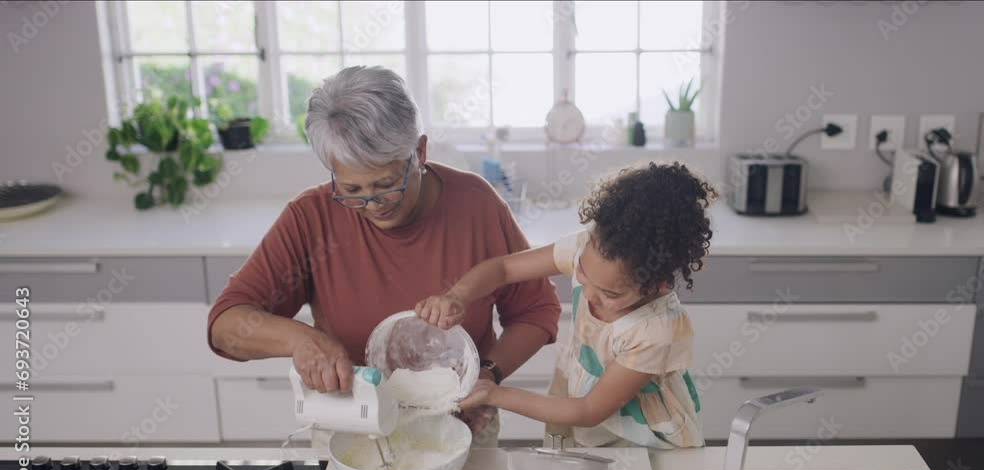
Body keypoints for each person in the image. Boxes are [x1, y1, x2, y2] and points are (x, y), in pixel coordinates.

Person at [207, 66, 560, 446]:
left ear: (419, 152)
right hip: (352, 432)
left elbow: (536, 311)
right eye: (351, 189)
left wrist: (489, 373)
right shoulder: (310, 216)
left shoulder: (475, 204)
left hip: (459, 430)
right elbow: (225, 327)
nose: (372, 204)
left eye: (387, 185)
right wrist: (300, 340)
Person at [416, 162, 715, 448]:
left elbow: (588, 410)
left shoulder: (656, 331)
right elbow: (503, 270)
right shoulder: (589, 249)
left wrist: (495, 394)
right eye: (582, 274)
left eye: (610, 294)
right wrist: (457, 296)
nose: (588, 295)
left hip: (641, 440)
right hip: (578, 411)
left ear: (658, 284)